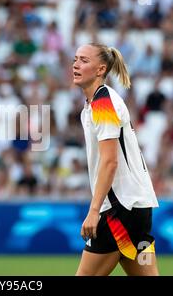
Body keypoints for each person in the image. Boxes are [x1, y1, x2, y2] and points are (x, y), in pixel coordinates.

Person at [72, 43, 159, 276]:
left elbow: (110, 162)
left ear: (100, 70)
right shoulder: (93, 105)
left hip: (119, 211)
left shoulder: (103, 103)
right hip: (137, 208)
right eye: (75, 59)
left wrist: (93, 211)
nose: (76, 64)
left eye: (84, 60)